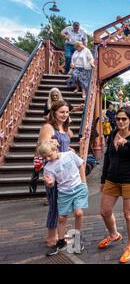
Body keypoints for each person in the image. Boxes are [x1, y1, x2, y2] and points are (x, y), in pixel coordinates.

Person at [98, 107, 130, 264]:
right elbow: (108, 157)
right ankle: (114, 235)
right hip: (112, 178)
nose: (120, 121)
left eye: (124, 119)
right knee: (105, 211)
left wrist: (128, 144)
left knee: (128, 214)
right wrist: (103, 179)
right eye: (118, 118)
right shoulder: (112, 133)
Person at [39, 141, 88, 256]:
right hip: (64, 192)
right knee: (62, 218)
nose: (48, 158)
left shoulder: (69, 155)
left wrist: (84, 183)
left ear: (55, 149)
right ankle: (61, 242)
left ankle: (77, 238)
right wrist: (49, 183)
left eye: (49, 155)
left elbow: (80, 165)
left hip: (78, 188)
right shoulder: (48, 167)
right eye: (45, 157)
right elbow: (51, 183)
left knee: (78, 213)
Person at [36, 100, 74, 248]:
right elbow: (41, 149)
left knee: (62, 204)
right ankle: (51, 237)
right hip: (53, 171)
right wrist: (51, 146)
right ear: (54, 112)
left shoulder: (63, 127)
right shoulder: (48, 127)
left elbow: (63, 146)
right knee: (54, 204)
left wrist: (69, 150)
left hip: (64, 171)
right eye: (62, 112)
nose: (65, 115)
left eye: (67, 112)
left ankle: (60, 234)